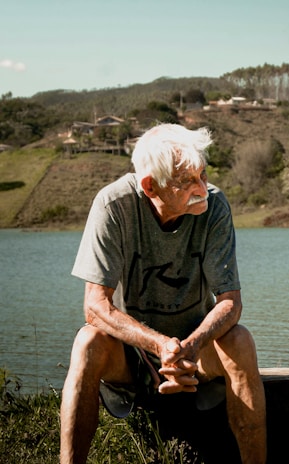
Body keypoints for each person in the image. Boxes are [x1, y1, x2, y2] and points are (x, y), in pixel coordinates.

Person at [60, 123, 267, 464]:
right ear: (150, 185)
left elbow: (230, 301)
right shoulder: (114, 205)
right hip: (132, 358)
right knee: (87, 341)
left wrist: (189, 346)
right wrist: (159, 346)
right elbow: (95, 307)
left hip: (195, 354)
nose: (202, 187)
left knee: (240, 341)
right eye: (187, 181)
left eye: (202, 174)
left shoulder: (214, 205)